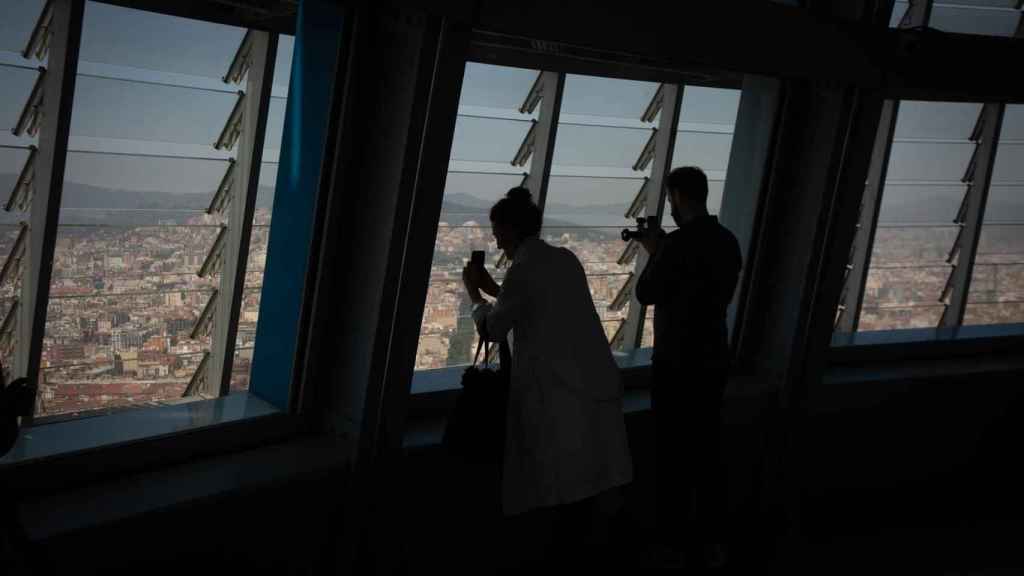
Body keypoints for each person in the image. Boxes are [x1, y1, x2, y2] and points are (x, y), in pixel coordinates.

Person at [461, 186, 633, 571]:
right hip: (592, 391)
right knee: (590, 495)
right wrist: (496, 289)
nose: (494, 239)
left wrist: (474, 293)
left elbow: (493, 327)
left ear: (508, 230)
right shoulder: (565, 259)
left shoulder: (524, 269)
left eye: (496, 230)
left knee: (556, 496)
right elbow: (542, 302)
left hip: (558, 400)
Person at [635, 166, 742, 569]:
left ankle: (672, 543)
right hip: (713, 359)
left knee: (671, 454)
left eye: (670, 199)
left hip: (676, 363)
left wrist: (657, 252)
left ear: (678, 196)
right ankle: (713, 541)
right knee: (707, 450)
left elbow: (647, 292)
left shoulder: (676, 245)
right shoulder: (728, 241)